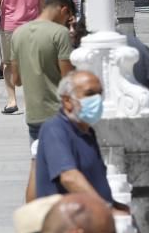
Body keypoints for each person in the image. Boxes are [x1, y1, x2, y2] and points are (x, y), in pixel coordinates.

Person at [11, 0, 76, 201]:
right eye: (69, 18)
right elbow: (68, 80)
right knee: (66, 169)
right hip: (59, 115)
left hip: (34, 114)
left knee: (36, 167)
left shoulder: (18, 34)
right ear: (64, 10)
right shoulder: (60, 34)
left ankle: (33, 218)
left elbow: (17, 79)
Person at [35, 71, 121, 206]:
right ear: (67, 101)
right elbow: (69, 177)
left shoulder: (87, 131)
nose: (97, 99)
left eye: (100, 93)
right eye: (90, 94)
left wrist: (117, 206)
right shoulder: (55, 130)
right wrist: (105, 208)